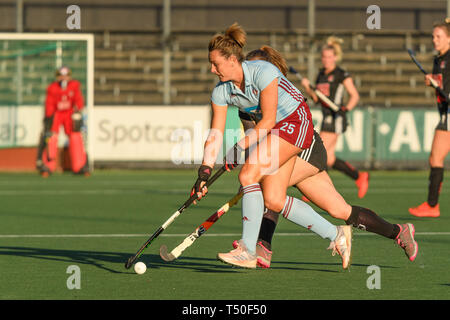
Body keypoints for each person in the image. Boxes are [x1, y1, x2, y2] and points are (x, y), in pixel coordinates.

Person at [236, 46, 419, 268]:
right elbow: (251, 139)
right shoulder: (244, 103)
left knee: (271, 189)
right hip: (284, 155)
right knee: (341, 210)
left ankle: (262, 246)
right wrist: (250, 170)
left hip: (308, 150)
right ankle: (399, 232)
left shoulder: (282, 93)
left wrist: (254, 177)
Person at [190, 23, 354, 269]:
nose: (212, 70)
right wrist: (204, 171)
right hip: (275, 131)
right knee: (275, 200)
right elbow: (215, 133)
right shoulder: (221, 92)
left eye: (216, 64)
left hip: (296, 121)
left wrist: (240, 147)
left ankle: (248, 249)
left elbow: (267, 120)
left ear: (232, 60)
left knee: (248, 175)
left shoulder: (262, 71)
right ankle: (336, 235)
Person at [300, 37, 369, 199]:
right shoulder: (321, 75)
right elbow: (317, 99)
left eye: (329, 57)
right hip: (326, 118)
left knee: (318, 151)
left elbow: (354, 95)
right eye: (324, 57)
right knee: (329, 158)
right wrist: (308, 88)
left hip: (336, 118)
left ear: (335, 57)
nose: (326, 60)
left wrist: (345, 109)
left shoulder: (341, 74)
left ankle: (318, 190)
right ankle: (359, 177)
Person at [409, 19, 450, 218]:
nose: (434, 40)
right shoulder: (438, 60)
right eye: (433, 36)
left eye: (439, 36)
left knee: (436, 157)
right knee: (436, 157)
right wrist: (432, 83)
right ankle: (432, 205)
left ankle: (432, 206)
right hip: (445, 113)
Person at [36, 66, 89, 177]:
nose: (63, 78)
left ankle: (79, 166)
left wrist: (78, 111)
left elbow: (78, 100)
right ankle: (48, 166)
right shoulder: (52, 88)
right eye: (61, 76)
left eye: (66, 75)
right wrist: (49, 117)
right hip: (57, 113)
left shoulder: (74, 86)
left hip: (69, 113)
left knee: (75, 137)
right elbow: (50, 104)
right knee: (51, 137)